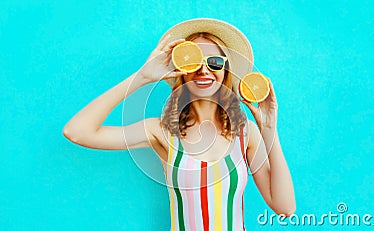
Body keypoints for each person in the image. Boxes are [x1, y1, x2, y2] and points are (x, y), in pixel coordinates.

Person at [63, 18, 295, 231]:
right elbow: (77, 131)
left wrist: (269, 131)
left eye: (214, 62)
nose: (204, 70)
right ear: (181, 72)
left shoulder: (245, 134)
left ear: (225, 72)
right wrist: (142, 77)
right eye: (194, 62)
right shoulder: (161, 132)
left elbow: (285, 208)